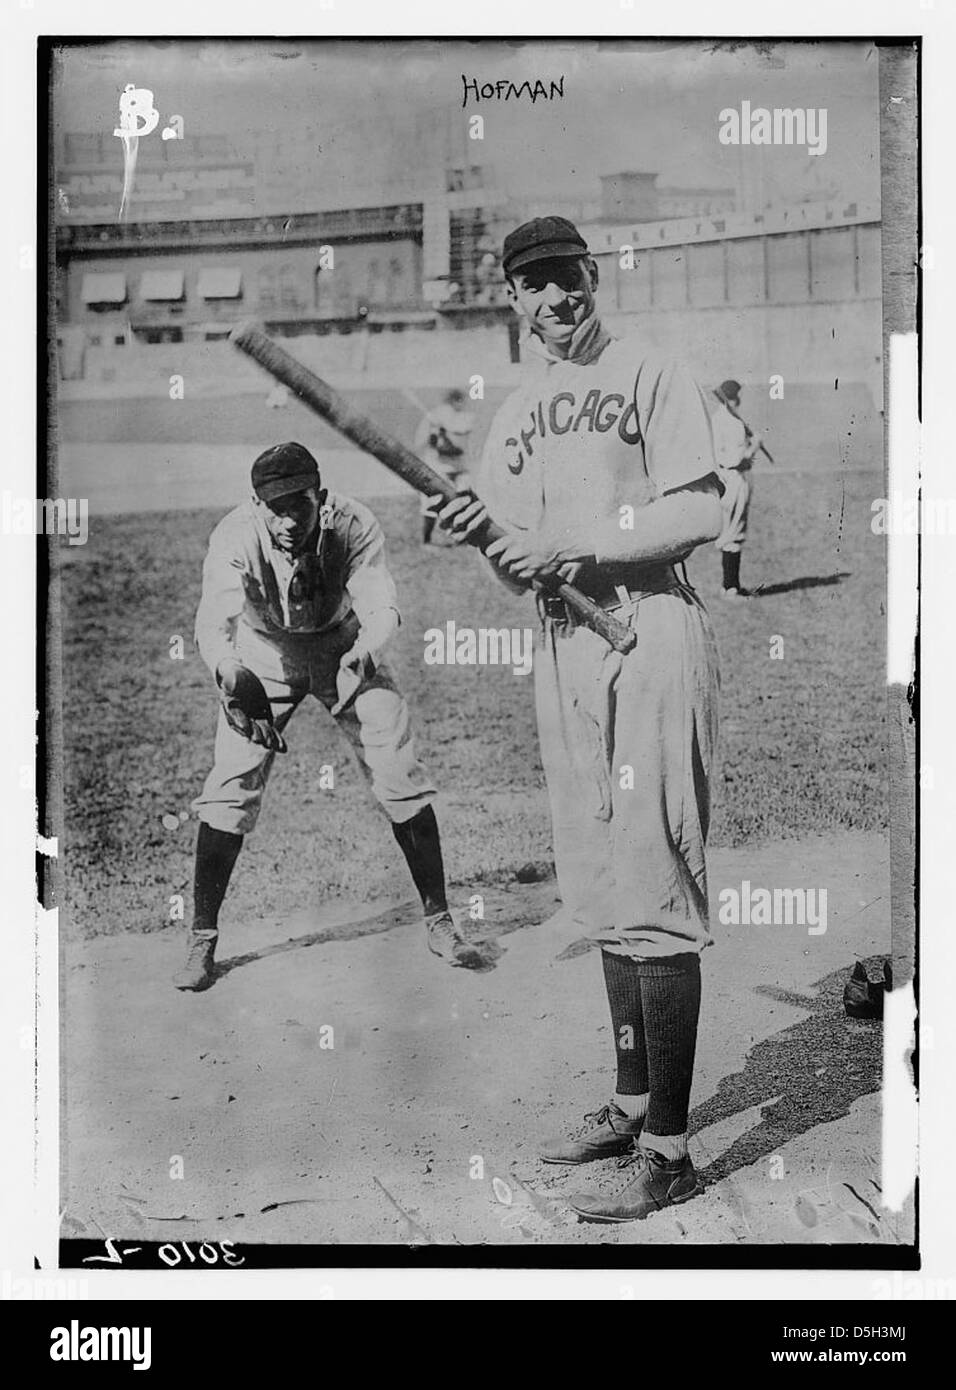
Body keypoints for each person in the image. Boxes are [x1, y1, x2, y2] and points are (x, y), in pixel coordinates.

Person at [433, 216, 724, 1222]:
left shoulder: (650, 371)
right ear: (510, 299)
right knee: (601, 888)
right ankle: (630, 1100)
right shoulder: (517, 409)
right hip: (564, 645)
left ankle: (670, 1147)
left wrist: (580, 548)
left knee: (652, 881)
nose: (555, 299)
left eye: (569, 280)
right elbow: (517, 554)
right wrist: (482, 533)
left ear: (592, 280)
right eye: (535, 285)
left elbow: (699, 510)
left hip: (644, 632)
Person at [175, 441, 481, 991]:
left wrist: (367, 652)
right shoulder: (235, 534)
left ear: (322, 496)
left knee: (399, 773)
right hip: (262, 652)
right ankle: (201, 938)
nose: (288, 518)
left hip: (343, 645)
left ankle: (439, 919)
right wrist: (229, 671)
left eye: (300, 504)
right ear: (256, 502)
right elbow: (212, 621)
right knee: (230, 786)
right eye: (275, 506)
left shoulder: (354, 523)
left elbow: (380, 603)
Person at [711, 379, 762, 599]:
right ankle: (730, 587)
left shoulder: (726, 418)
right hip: (732, 477)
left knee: (734, 532)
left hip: (731, 477)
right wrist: (754, 447)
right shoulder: (725, 421)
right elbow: (735, 459)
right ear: (731, 397)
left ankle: (731, 585)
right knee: (732, 533)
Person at [415, 389, 475, 545]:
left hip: (460, 467)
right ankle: (426, 541)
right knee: (431, 504)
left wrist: (446, 430)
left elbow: (459, 438)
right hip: (438, 467)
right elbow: (429, 444)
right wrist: (436, 433)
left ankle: (460, 539)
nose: (462, 404)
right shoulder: (436, 416)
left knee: (465, 501)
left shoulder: (466, 417)